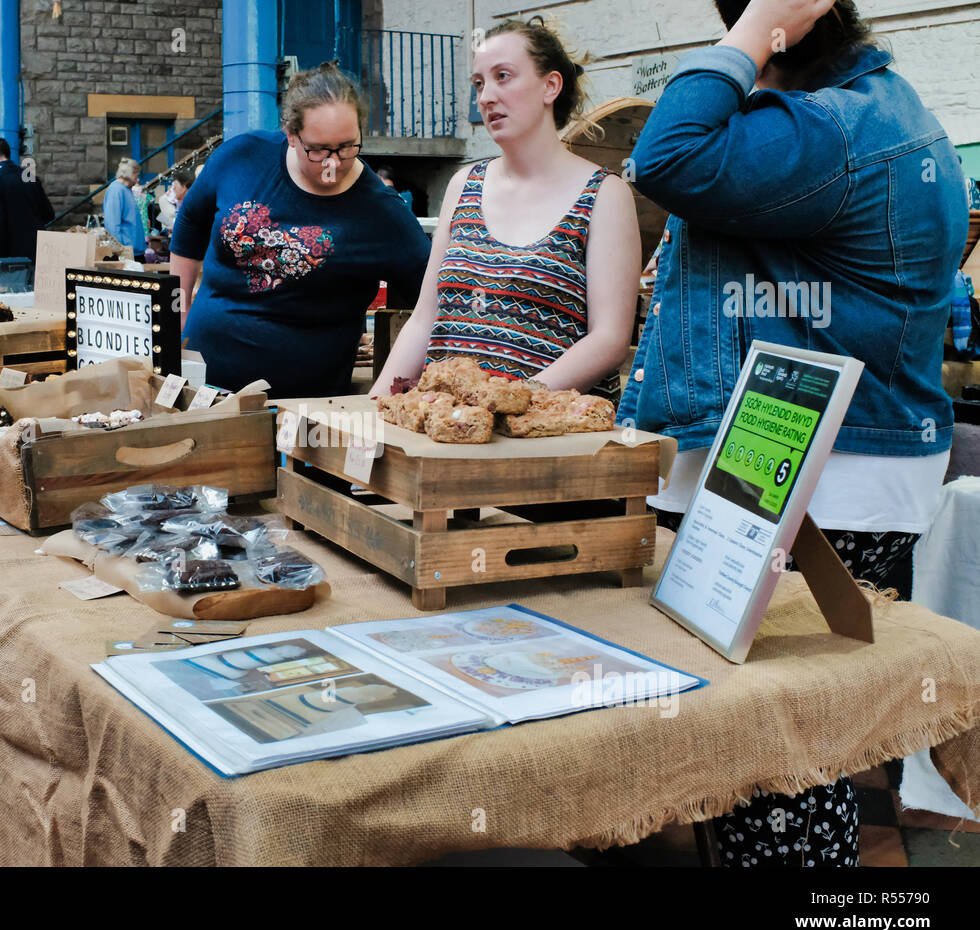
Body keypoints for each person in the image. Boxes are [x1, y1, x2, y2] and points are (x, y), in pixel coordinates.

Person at [618, 0, 968, 867]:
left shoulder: (835, 127)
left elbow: (667, 154)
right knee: (793, 750)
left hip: (820, 482)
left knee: (781, 757)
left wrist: (754, 27)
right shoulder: (876, 113)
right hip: (817, 472)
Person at [371, 19, 640, 402]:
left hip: (546, 441)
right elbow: (425, 319)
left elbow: (610, 340)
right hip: (449, 431)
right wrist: (375, 412)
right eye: (479, 84)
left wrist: (509, 403)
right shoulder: (464, 185)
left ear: (550, 85)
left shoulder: (604, 195)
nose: (486, 97)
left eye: (503, 77)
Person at [170, 61, 431, 398]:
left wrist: (386, 393)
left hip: (302, 407)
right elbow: (190, 222)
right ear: (291, 134)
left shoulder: (381, 212)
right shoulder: (242, 156)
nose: (333, 163)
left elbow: (433, 301)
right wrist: (179, 312)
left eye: (347, 147)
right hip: (200, 384)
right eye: (319, 150)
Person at [0, 137, 55, 261]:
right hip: (39, 249)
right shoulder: (29, 176)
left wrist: (0, 256)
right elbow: (49, 214)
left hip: (13, 255)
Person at [104, 157, 147, 258]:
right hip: (126, 252)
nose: (137, 178)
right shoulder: (116, 190)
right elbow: (112, 225)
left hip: (134, 251)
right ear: (131, 173)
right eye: (137, 174)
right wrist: (120, 251)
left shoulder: (126, 190)